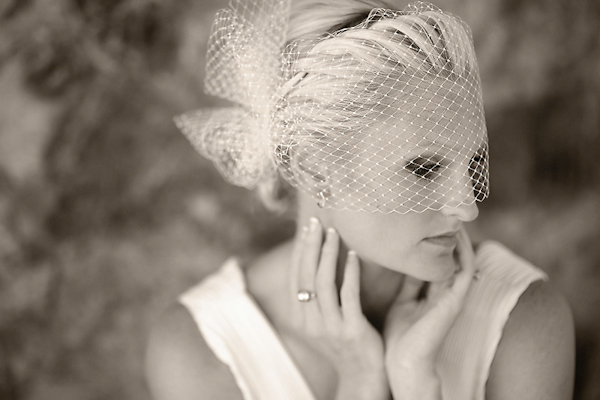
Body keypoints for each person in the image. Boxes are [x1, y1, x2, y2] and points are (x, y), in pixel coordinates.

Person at [145, 0, 575, 399]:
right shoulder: (202, 349)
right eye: (424, 168)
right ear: (313, 170)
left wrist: (416, 384)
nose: (468, 206)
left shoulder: (523, 321)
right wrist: (361, 383)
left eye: (473, 162)